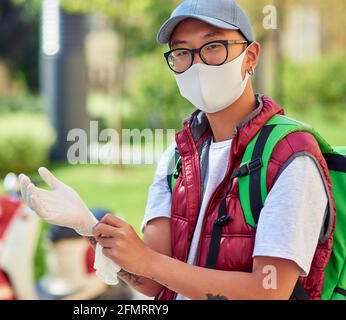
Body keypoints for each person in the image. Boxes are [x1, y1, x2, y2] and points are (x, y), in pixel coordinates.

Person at [21, 0, 335, 300]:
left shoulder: (290, 155)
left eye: (213, 47)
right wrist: (87, 225)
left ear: (251, 56)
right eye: (182, 52)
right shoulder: (177, 156)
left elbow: (268, 291)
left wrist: (148, 261)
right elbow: (151, 281)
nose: (197, 64)